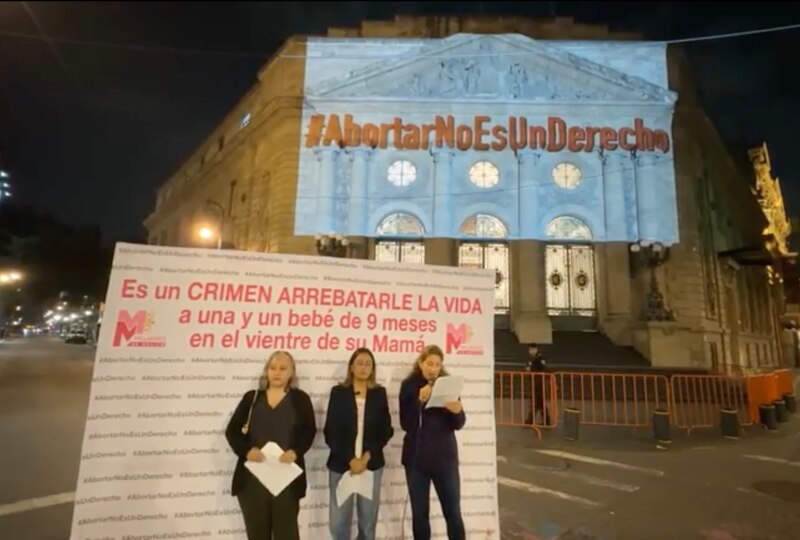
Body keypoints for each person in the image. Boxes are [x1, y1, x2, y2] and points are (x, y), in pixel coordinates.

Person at [225, 350, 316, 540]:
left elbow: (309, 431)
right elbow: (232, 431)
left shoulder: (301, 399)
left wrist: (295, 451)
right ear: (267, 371)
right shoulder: (252, 398)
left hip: (286, 480)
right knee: (256, 535)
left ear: (292, 372)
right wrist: (247, 451)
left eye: (283, 368)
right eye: (273, 367)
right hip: (252, 481)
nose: (277, 372)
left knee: (287, 535)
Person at [324, 347, 394, 540]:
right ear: (351, 368)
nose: (364, 367)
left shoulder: (379, 394)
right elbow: (331, 431)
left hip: (370, 466)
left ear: (373, 369)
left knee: (368, 525)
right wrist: (350, 459)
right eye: (360, 363)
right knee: (338, 524)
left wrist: (365, 457)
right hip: (341, 465)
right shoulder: (338, 393)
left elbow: (386, 430)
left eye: (368, 364)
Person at [399, 344, 466, 540]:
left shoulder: (448, 384)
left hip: (445, 461)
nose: (433, 368)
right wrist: (419, 400)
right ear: (421, 363)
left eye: (437, 364)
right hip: (416, 461)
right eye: (429, 363)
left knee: (453, 512)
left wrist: (457, 412)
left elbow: (459, 424)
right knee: (420, 515)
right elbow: (405, 423)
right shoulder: (409, 385)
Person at [524, 343, 551, 425]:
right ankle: (544, 421)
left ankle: (532, 420)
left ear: (536, 349)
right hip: (534, 382)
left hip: (539, 382)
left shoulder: (540, 359)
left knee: (537, 402)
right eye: (529, 350)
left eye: (532, 349)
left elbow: (543, 369)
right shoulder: (531, 359)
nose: (530, 351)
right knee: (539, 402)